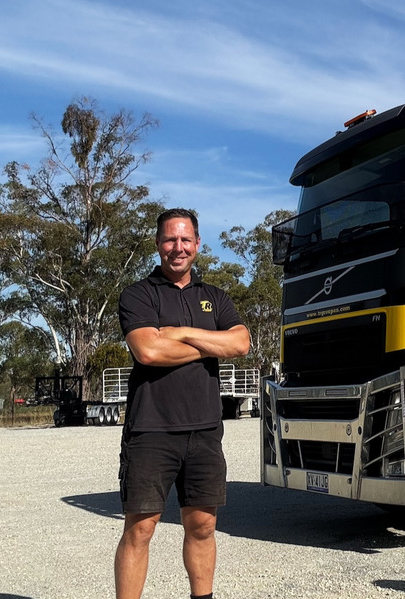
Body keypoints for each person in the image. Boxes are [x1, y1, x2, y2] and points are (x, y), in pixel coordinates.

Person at [114, 208, 250, 599]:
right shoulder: (139, 294)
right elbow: (149, 353)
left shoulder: (215, 297)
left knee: (203, 525)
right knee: (140, 528)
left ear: (197, 244)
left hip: (205, 429)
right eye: (170, 240)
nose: (178, 247)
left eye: (185, 239)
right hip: (151, 430)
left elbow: (240, 343)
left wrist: (182, 333)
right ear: (158, 245)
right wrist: (210, 345)